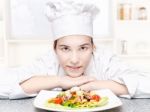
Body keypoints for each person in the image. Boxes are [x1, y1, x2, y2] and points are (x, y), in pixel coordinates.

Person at [0, 0, 150, 99]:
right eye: (65, 48)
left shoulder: (104, 60)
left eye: (83, 48)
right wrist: (59, 81)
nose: (74, 59)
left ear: (93, 47)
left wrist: (94, 85)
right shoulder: (47, 62)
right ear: (55, 49)